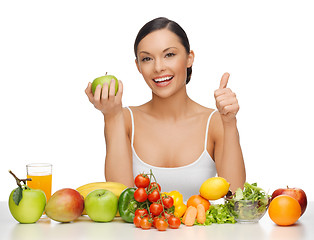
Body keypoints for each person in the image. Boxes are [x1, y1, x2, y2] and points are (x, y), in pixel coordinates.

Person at [85, 17, 245, 200]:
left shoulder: (215, 122)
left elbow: (236, 198)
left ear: (189, 58)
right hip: (140, 229)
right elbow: (122, 199)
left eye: (169, 55)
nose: (158, 67)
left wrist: (230, 122)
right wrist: (111, 116)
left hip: (198, 229)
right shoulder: (124, 119)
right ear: (138, 66)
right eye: (147, 59)